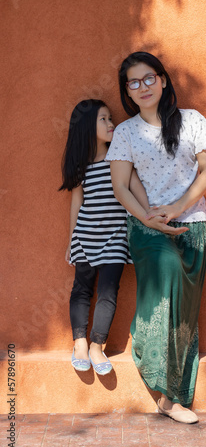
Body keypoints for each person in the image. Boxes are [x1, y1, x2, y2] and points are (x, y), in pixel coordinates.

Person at [106, 52, 206, 422]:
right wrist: (151, 219)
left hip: (192, 224)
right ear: (127, 90)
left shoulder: (192, 121)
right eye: (133, 82)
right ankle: (167, 396)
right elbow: (121, 187)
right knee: (167, 273)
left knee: (184, 309)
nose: (142, 87)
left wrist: (176, 206)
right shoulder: (125, 132)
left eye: (148, 78)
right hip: (146, 226)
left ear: (163, 80)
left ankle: (171, 389)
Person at [59, 99, 149, 375]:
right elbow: (77, 203)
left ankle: (98, 345)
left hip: (115, 237)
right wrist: (71, 239)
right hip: (85, 236)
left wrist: (150, 216)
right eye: (104, 119)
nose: (111, 124)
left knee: (108, 292)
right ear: (88, 127)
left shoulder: (119, 158)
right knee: (81, 290)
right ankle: (80, 343)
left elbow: (135, 190)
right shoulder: (81, 166)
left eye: (111, 118)